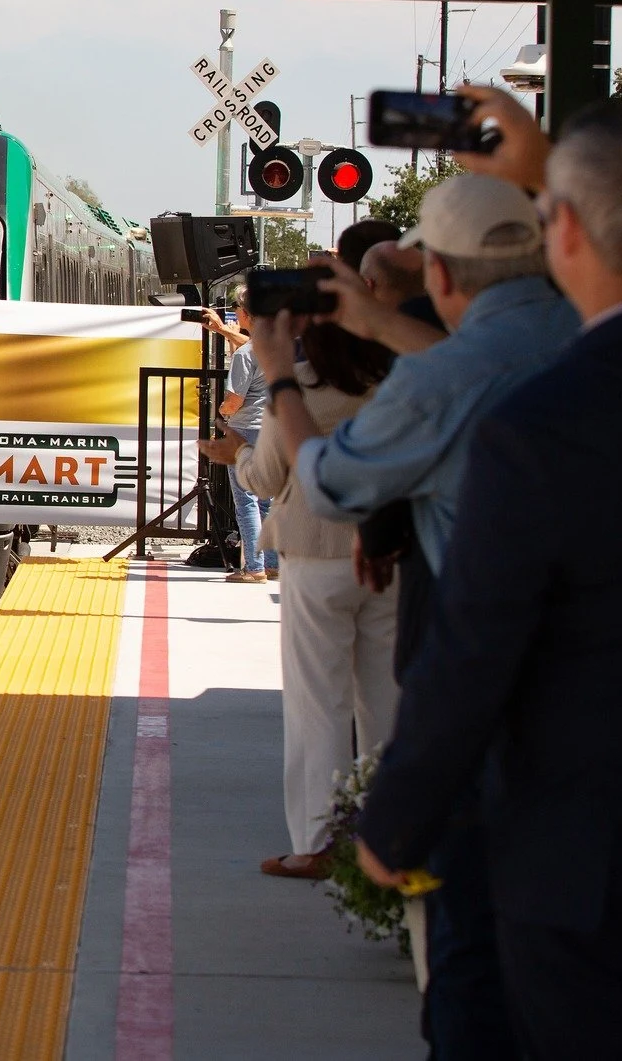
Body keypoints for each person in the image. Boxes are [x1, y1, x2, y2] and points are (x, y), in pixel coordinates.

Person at [260, 164, 579, 1059]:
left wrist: (280, 374)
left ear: (438, 275)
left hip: (491, 700)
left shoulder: (446, 378)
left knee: (469, 970)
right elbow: (466, 363)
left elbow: (329, 480)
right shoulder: (573, 334)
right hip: (593, 713)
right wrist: (373, 322)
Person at [358, 96, 622, 1055]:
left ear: (562, 232)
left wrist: (394, 821)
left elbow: (475, 651)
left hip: (592, 868)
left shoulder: (544, 427)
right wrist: (549, 162)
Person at [206, 283, 399, 879]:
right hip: (387, 554)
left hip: (314, 555)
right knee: (384, 704)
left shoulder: (302, 390)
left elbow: (264, 478)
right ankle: (388, 837)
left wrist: (230, 456)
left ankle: (316, 843)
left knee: (319, 704)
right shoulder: (392, 388)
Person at [196, 309, 275, 583]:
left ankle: (254, 567)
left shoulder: (245, 353)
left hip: (245, 429)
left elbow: (234, 399)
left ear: (246, 314)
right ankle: (273, 563)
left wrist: (222, 411)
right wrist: (224, 332)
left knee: (246, 500)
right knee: (267, 499)